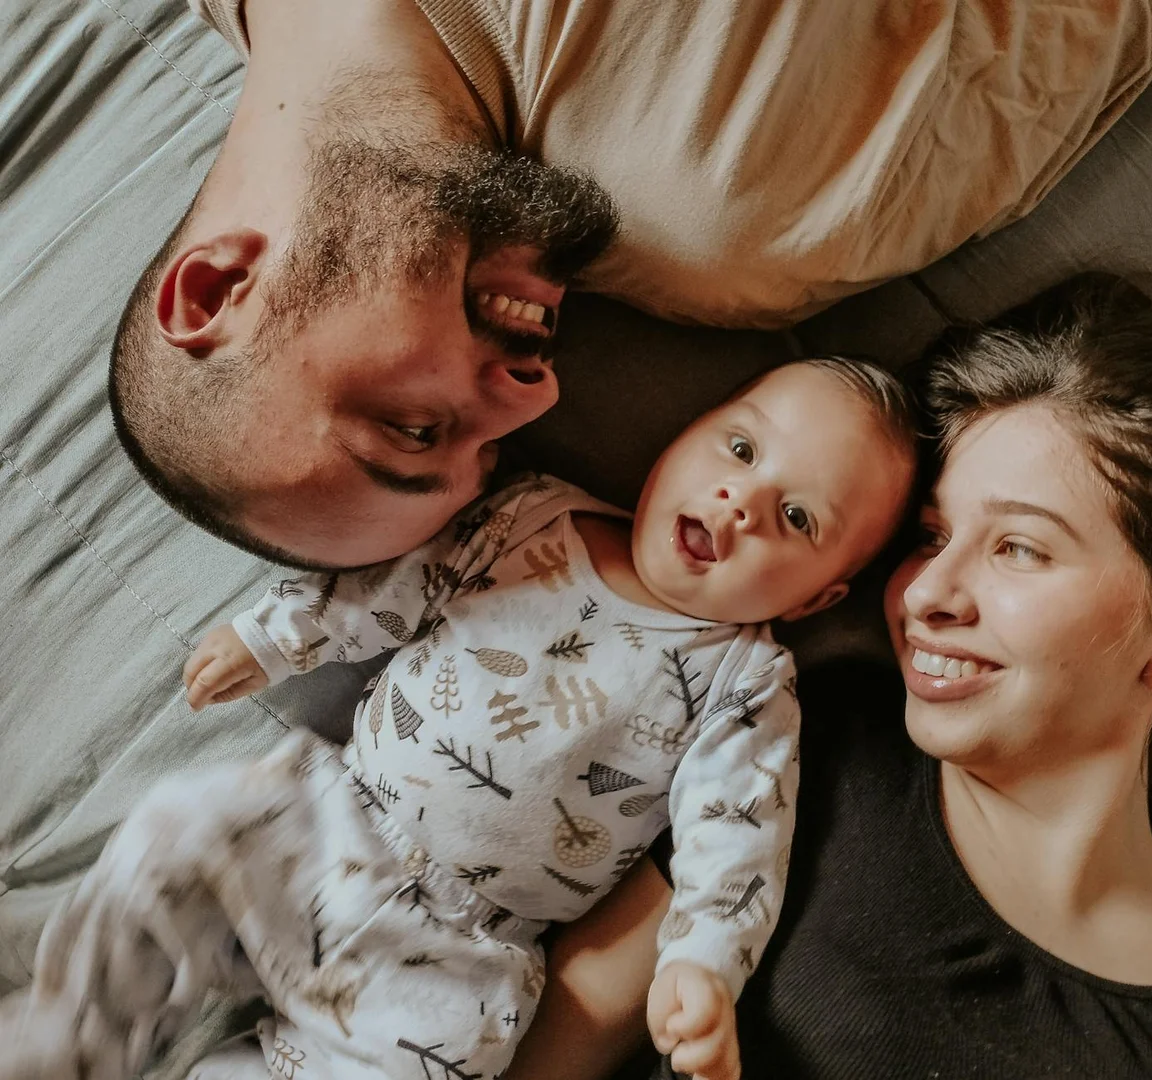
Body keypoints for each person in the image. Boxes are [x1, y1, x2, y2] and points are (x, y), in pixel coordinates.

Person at [497, 150, 1152, 1080]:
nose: (924, 594)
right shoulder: (804, 748)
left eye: (1018, 547)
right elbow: (558, 1043)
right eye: (932, 536)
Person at [0, 359, 918, 1080]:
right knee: (178, 835)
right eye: (741, 449)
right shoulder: (533, 516)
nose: (742, 502)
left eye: (797, 517)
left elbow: (739, 838)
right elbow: (393, 587)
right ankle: (70, 1037)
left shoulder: (746, 683)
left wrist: (705, 965)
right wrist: (276, 636)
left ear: (816, 599)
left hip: (458, 952)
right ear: (688, 433)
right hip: (325, 822)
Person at [108, 0, 1152, 569]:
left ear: (217, 292)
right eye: (485, 456)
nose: (533, 395)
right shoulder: (733, 211)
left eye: (416, 429)